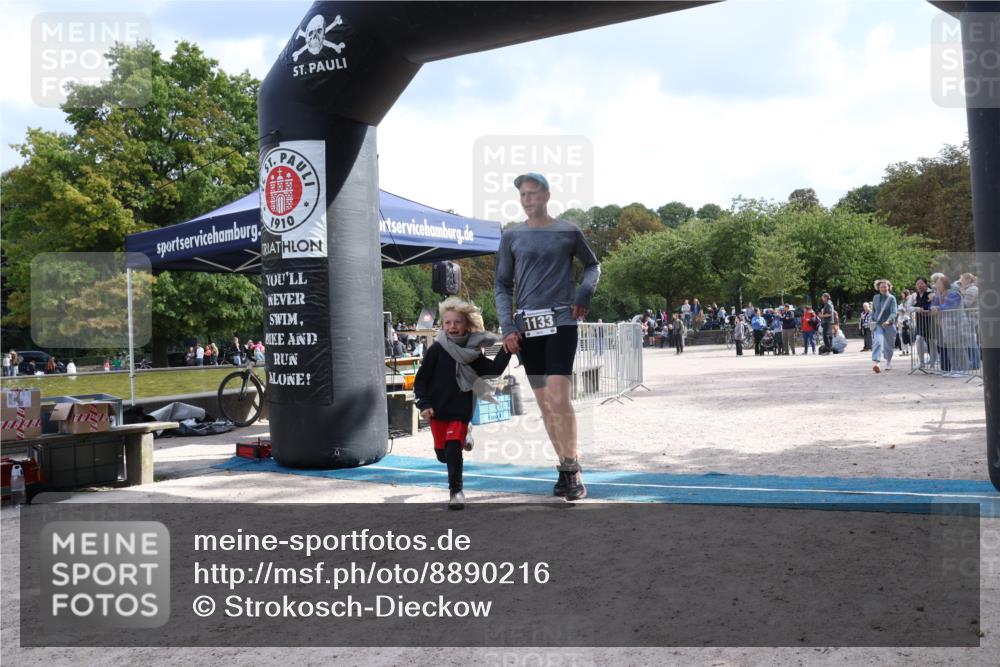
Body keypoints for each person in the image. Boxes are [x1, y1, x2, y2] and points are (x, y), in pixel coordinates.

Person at [495, 172, 600, 501]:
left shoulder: (568, 231)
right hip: (528, 328)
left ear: (547, 195)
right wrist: (507, 328)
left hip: (562, 322)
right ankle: (564, 466)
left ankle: (572, 468)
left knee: (558, 396)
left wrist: (584, 293)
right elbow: (501, 285)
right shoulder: (511, 236)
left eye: (533, 193)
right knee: (544, 404)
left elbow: (593, 266)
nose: (528, 200)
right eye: (523, 195)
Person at [414, 297, 511, 510]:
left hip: (460, 410)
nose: (452, 327)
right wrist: (424, 403)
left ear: (466, 325)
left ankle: (456, 492)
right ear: (442, 325)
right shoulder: (436, 350)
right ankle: (465, 435)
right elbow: (421, 380)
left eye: (457, 322)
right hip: (437, 410)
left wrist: (508, 349)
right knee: (442, 456)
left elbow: (493, 371)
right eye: (448, 322)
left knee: (452, 450)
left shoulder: (473, 354)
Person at [870, 279, 898, 373]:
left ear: (889, 287)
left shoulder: (892, 298)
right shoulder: (875, 298)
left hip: (889, 325)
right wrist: (871, 319)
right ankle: (877, 363)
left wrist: (888, 321)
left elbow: (894, 312)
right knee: (878, 341)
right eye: (881, 287)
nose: (883, 288)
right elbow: (873, 311)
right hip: (878, 324)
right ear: (878, 288)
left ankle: (888, 362)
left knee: (889, 346)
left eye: (885, 286)